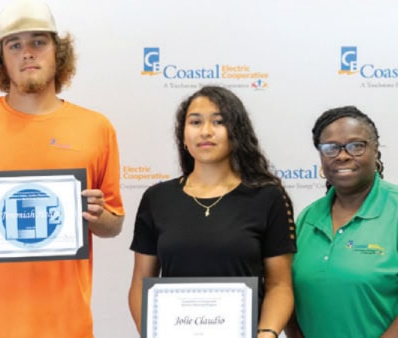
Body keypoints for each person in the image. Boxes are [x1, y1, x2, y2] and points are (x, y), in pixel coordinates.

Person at [0, 0, 124, 337]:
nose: (27, 53)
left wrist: (100, 216)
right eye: (14, 44)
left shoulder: (96, 127)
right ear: (1, 59)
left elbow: (114, 224)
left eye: (39, 41)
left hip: (66, 325)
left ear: (58, 52)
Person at [128, 86, 296, 338]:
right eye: (195, 122)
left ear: (236, 132)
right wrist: (151, 333)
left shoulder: (267, 197)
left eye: (219, 121)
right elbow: (141, 282)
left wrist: (267, 334)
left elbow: (280, 285)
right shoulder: (157, 198)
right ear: (183, 135)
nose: (205, 131)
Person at [285, 106, 398, 338]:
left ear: (375, 150)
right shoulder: (308, 218)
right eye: (331, 148)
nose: (343, 155)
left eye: (356, 146)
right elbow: (286, 293)